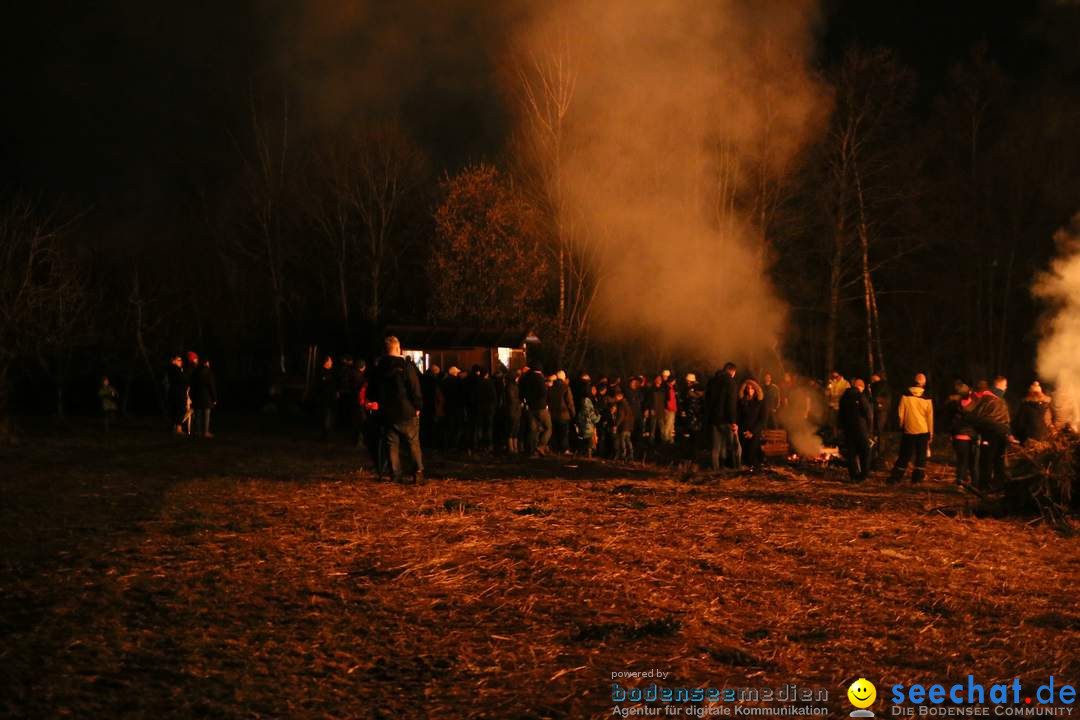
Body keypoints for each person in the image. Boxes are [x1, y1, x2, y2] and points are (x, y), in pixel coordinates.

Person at [371, 336, 424, 484]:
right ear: (397, 348)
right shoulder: (406, 366)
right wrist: (418, 406)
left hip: (387, 412)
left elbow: (372, 391)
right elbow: (414, 388)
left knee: (391, 443)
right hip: (406, 410)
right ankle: (417, 472)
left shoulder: (378, 368)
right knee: (413, 442)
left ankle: (395, 473)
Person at [964, 380, 1011, 489]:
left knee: (986, 460)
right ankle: (999, 485)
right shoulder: (998, 400)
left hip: (991, 433)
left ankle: (984, 486)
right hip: (1002, 432)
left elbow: (973, 415)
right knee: (999, 460)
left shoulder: (985, 400)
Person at [888, 373, 933, 484]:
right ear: (924, 383)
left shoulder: (905, 396)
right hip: (923, 429)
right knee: (921, 455)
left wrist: (902, 425)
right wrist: (930, 432)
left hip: (909, 429)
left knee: (904, 454)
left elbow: (900, 414)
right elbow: (930, 417)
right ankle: (917, 478)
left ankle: (896, 477)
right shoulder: (927, 398)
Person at [706, 362, 740, 470]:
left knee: (716, 447)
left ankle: (715, 469)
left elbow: (708, 401)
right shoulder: (731, 382)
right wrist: (733, 421)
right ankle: (736, 468)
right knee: (733, 446)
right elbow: (731, 403)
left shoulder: (712, 381)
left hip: (715, 419)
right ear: (732, 371)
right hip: (726, 420)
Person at [838, 378, 873, 482]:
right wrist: (869, 430)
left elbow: (840, 414)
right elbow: (868, 413)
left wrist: (842, 427)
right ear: (861, 387)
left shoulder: (844, 397)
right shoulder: (860, 396)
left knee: (851, 453)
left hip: (848, 429)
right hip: (860, 428)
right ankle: (863, 475)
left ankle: (853, 476)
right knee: (865, 451)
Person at [945, 381, 977, 486]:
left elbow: (950, 420)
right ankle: (972, 482)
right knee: (971, 462)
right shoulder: (974, 405)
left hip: (958, 437)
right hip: (970, 436)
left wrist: (951, 434)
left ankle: (960, 482)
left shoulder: (954, 405)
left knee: (961, 461)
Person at [520, 363, 551, 456]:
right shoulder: (540, 379)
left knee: (532, 430)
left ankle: (531, 450)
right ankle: (541, 446)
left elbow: (522, 392)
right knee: (548, 428)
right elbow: (543, 392)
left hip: (530, 407)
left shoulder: (526, 379)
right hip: (541, 407)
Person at [737, 378, 766, 470]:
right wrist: (742, 430)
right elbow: (739, 416)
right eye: (748, 388)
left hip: (754, 432)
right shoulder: (742, 401)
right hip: (743, 431)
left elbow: (762, 419)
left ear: (756, 389)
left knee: (752, 453)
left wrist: (752, 432)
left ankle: (755, 468)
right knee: (744, 453)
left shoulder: (760, 402)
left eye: (752, 388)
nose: (749, 390)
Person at [189, 354, 218, 438]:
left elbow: (192, 385)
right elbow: (211, 386)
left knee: (198, 415)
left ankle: (197, 432)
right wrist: (214, 398)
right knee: (206, 415)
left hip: (197, 397)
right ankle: (205, 432)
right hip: (207, 397)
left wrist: (192, 396)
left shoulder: (195, 372)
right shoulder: (209, 372)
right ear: (206, 363)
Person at [549, 370, 576, 454]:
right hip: (564, 414)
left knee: (555, 433)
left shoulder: (551, 388)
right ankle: (564, 449)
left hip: (553, 414)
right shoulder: (566, 388)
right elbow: (570, 403)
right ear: (563, 378)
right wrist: (573, 414)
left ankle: (554, 449)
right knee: (564, 433)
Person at [470, 367, 497, 451]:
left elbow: (473, 396)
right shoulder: (489, 383)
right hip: (489, 407)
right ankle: (488, 444)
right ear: (486, 374)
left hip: (479, 407)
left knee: (479, 426)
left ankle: (479, 444)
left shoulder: (476, 383)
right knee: (488, 426)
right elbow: (493, 396)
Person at [575, 381, 601, 458]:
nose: (595, 391)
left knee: (585, 440)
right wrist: (598, 417)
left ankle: (580, 454)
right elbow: (590, 413)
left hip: (584, 422)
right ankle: (589, 456)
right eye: (593, 389)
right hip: (587, 423)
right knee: (589, 441)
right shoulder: (587, 401)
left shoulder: (585, 400)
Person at [166, 355, 189, 434]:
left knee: (176, 410)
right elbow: (183, 380)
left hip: (174, 392)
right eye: (179, 360)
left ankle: (175, 427)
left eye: (181, 360)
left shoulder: (173, 370)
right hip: (178, 393)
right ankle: (178, 428)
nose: (181, 362)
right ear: (174, 361)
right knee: (181, 409)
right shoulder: (175, 370)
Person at [316, 355, 338, 441]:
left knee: (330, 416)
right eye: (330, 361)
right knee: (326, 416)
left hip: (332, 399)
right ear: (326, 362)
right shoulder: (321, 372)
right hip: (325, 399)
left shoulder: (333, 372)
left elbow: (335, 384)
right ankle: (325, 435)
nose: (331, 362)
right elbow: (320, 386)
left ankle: (328, 434)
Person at [868, 373, 892, 449]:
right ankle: (877, 446)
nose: (872, 378)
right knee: (877, 429)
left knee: (879, 429)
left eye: (874, 376)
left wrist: (876, 401)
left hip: (881, 410)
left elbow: (882, 397)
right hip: (877, 409)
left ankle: (880, 447)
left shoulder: (881, 386)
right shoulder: (875, 385)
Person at [826, 371, 850, 442]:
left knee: (842, 423)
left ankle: (843, 438)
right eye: (833, 376)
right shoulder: (832, 383)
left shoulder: (845, 383)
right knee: (833, 423)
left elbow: (847, 395)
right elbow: (828, 394)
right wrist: (828, 390)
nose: (834, 378)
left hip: (841, 406)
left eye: (835, 376)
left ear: (840, 375)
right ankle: (834, 437)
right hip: (833, 406)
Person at [503, 369, 523, 454]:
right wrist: (519, 401)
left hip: (515, 409)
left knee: (515, 429)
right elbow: (511, 399)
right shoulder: (510, 387)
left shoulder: (513, 386)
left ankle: (514, 447)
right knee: (511, 429)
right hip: (512, 410)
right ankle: (511, 448)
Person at [613, 388, 635, 462]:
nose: (615, 399)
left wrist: (616, 425)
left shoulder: (621, 404)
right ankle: (631, 455)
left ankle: (623, 455)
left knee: (623, 441)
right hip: (629, 426)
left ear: (619, 396)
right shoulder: (627, 404)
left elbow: (621, 416)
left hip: (624, 426)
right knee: (628, 440)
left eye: (616, 397)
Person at [659, 372, 677, 444]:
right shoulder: (668, 388)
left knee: (670, 424)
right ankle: (666, 438)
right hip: (670, 408)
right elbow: (668, 399)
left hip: (671, 408)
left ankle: (669, 438)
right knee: (668, 424)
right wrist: (670, 407)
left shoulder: (670, 388)